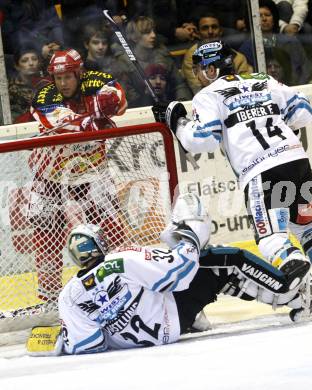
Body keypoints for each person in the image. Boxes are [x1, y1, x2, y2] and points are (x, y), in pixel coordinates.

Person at [27, 193, 310, 355]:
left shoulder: (68, 296)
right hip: (173, 318)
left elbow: (88, 344)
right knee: (223, 261)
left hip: (144, 338)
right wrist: (188, 237)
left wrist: (63, 338)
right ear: (100, 244)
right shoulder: (120, 260)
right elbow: (180, 272)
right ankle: (290, 293)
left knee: (175, 283)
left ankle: (197, 318)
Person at [152, 40, 312, 292]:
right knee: (306, 228)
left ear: (211, 69)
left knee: (272, 238)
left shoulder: (208, 95)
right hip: (297, 162)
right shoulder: (263, 79)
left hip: (262, 171)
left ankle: (299, 278)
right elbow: (303, 111)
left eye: (198, 69)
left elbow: (202, 140)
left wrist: (177, 120)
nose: (196, 75)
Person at [28, 48, 127, 304]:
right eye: (58, 78)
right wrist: (96, 118)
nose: (63, 83)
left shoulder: (97, 81)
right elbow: (72, 125)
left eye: (68, 77)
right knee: (47, 235)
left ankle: (123, 283)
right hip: (49, 176)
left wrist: (105, 107)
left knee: (112, 231)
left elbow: (119, 100)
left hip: (92, 173)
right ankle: (49, 301)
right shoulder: (44, 97)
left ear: (79, 73)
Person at [124, 16, 192, 107]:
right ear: (134, 37)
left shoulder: (164, 56)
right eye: (147, 33)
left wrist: (183, 103)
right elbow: (129, 95)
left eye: (153, 31)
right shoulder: (125, 63)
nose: (153, 35)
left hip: (168, 106)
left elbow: (179, 84)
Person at [239, 0, 311, 85]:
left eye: (267, 15)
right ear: (251, 21)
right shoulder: (246, 48)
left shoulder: (291, 42)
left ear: (274, 18)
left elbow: (305, 70)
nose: (264, 19)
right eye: (259, 16)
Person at [182, 11, 253, 94]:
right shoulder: (191, 56)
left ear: (221, 31)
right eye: (205, 28)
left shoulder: (238, 58)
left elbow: (246, 87)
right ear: (198, 33)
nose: (210, 32)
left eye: (214, 27)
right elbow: (198, 89)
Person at [8, 45, 50, 123]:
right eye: (24, 60)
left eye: (34, 59)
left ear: (39, 63)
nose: (31, 63)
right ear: (17, 66)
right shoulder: (11, 89)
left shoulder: (46, 82)